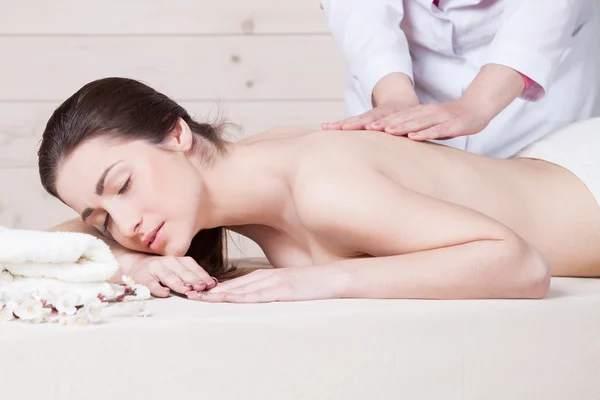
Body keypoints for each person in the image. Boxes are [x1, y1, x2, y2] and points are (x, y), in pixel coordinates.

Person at [40, 77, 600, 303]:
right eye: (103, 220)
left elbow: (522, 266)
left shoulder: (319, 185)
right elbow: (39, 246)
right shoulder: (247, 172)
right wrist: (130, 264)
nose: (126, 223)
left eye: (123, 185)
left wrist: (318, 280)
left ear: (177, 134)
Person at [320, 0, 600, 158]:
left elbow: (544, 13)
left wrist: (477, 104)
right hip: (404, 67)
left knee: (527, 217)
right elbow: (358, 11)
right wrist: (394, 95)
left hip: (537, 84)